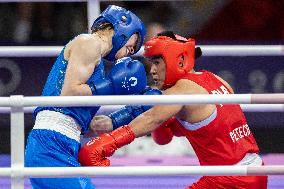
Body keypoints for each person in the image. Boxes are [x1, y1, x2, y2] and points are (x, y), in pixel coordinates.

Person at [78, 31, 268, 189]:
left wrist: (106, 143)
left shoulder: (182, 90)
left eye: (157, 63)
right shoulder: (216, 79)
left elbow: (151, 119)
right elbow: (210, 128)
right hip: (255, 171)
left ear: (178, 60)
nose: (152, 70)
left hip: (229, 179)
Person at [24, 5, 147, 189]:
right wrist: (112, 86)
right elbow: (69, 94)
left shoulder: (96, 62)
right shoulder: (89, 42)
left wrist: (122, 116)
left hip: (63, 141)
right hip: (51, 142)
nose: (132, 51)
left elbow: (73, 116)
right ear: (124, 28)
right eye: (133, 44)